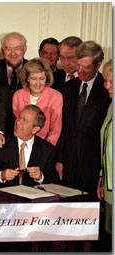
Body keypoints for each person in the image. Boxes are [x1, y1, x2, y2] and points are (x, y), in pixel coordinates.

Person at [55, 41, 111, 195]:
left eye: (85, 67)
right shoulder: (67, 88)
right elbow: (63, 127)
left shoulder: (107, 91)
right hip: (68, 165)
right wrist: (59, 159)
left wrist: (104, 173)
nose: (79, 70)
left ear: (98, 65)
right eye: (78, 65)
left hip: (93, 166)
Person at [0, 105, 60, 189]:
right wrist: (1, 176)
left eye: (24, 121)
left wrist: (40, 177)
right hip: (3, 198)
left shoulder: (47, 149)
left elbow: (55, 183)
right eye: (19, 117)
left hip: (33, 199)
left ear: (35, 129)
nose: (18, 122)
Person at [13, 57, 63, 146]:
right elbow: (18, 125)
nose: (38, 83)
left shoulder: (56, 96)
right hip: (21, 144)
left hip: (45, 146)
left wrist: (45, 151)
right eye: (33, 79)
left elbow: (55, 130)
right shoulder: (18, 95)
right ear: (27, 78)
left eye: (41, 79)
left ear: (46, 78)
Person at [0, 32, 28, 134]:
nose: (13, 53)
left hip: (26, 131)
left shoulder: (34, 69)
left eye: (17, 48)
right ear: (2, 50)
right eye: (8, 48)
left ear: (24, 49)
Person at [97, 59, 112, 237]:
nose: (106, 85)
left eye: (111, 81)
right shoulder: (111, 106)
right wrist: (102, 176)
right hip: (109, 184)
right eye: (106, 81)